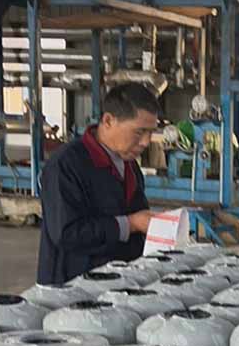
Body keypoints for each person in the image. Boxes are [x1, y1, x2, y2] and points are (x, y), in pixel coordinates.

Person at [37, 83, 159, 286]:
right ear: (108, 120)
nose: (146, 142)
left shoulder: (129, 165)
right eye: (139, 132)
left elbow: (138, 218)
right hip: (72, 287)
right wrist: (130, 224)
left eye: (151, 132)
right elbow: (66, 233)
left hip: (117, 282)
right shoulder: (66, 165)